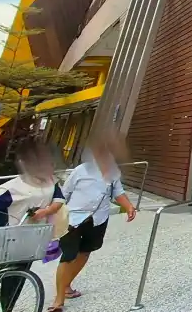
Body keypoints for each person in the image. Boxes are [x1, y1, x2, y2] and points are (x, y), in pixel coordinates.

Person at [0, 141, 64, 310]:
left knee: (17, 281)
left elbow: (59, 200)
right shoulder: (13, 188)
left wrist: (45, 212)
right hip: (8, 242)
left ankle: (5, 307)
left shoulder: (51, 182)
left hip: (32, 241)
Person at [51, 130, 138, 312]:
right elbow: (63, 194)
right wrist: (52, 214)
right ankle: (58, 301)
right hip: (73, 219)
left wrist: (129, 206)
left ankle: (66, 286)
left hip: (98, 219)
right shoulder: (80, 171)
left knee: (85, 252)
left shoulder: (113, 172)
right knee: (68, 256)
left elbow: (117, 192)